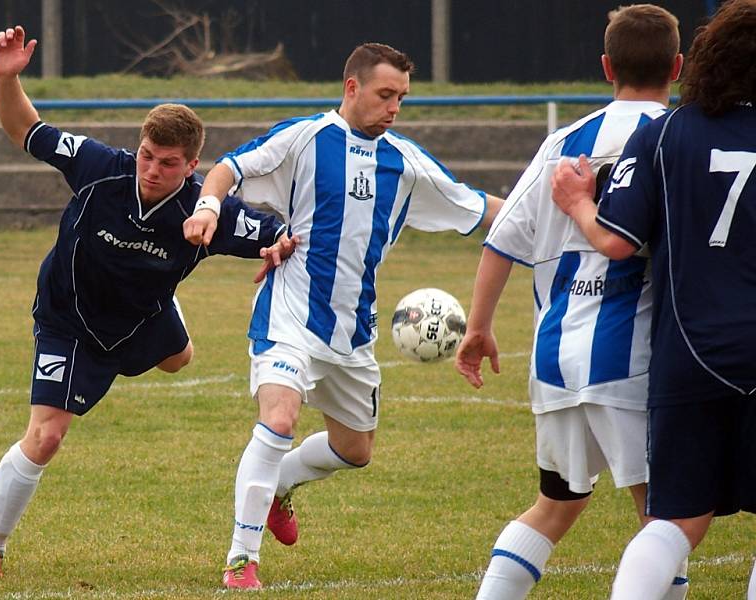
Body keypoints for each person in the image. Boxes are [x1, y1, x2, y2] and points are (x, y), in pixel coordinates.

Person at [0, 25, 294, 578]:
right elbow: (27, 128)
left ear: (192, 166)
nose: (152, 169)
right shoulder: (99, 168)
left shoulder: (208, 213)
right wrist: (6, 79)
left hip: (140, 315)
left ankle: (169, 318)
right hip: (68, 318)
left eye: (168, 163)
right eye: (147, 155)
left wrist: (279, 245)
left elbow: (276, 231)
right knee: (46, 434)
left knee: (180, 359)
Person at [182, 42, 504, 589]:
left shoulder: (404, 162)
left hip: (354, 336)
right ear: (351, 88)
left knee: (355, 452)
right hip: (288, 319)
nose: (394, 107)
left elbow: (478, 207)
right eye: (384, 95)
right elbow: (228, 171)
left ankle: (280, 487)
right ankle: (241, 560)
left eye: (401, 97)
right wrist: (208, 207)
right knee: (279, 419)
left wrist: (557, 216)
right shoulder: (305, 139)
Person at [455, 5, 689, 599]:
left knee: (555, 505)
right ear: (678, 67)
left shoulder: (564, 141)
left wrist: (478, 326)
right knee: (665, 518)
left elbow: (501, 238)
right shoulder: (678, 136)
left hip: (555, 353)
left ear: (606, 65)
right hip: (633, 360)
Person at [551, 1, 756, 597]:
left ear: (703, 60)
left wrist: (578, 204)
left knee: (675, 521)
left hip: (690, 352)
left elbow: (616, 242)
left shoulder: (665, 132)